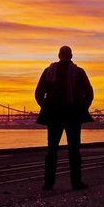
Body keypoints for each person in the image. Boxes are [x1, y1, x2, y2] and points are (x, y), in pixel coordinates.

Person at [35, 46, 94, 191]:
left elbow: (38, 93)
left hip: (54, 116)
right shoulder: (79, 72)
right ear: (71, 55)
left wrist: (47, 106)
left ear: (59, 55)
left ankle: (48, 184)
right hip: (73, 116)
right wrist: (82, 107)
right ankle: (76, 183)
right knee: (74, 150)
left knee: (52, 150)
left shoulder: (49, 71)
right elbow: (90, 93)